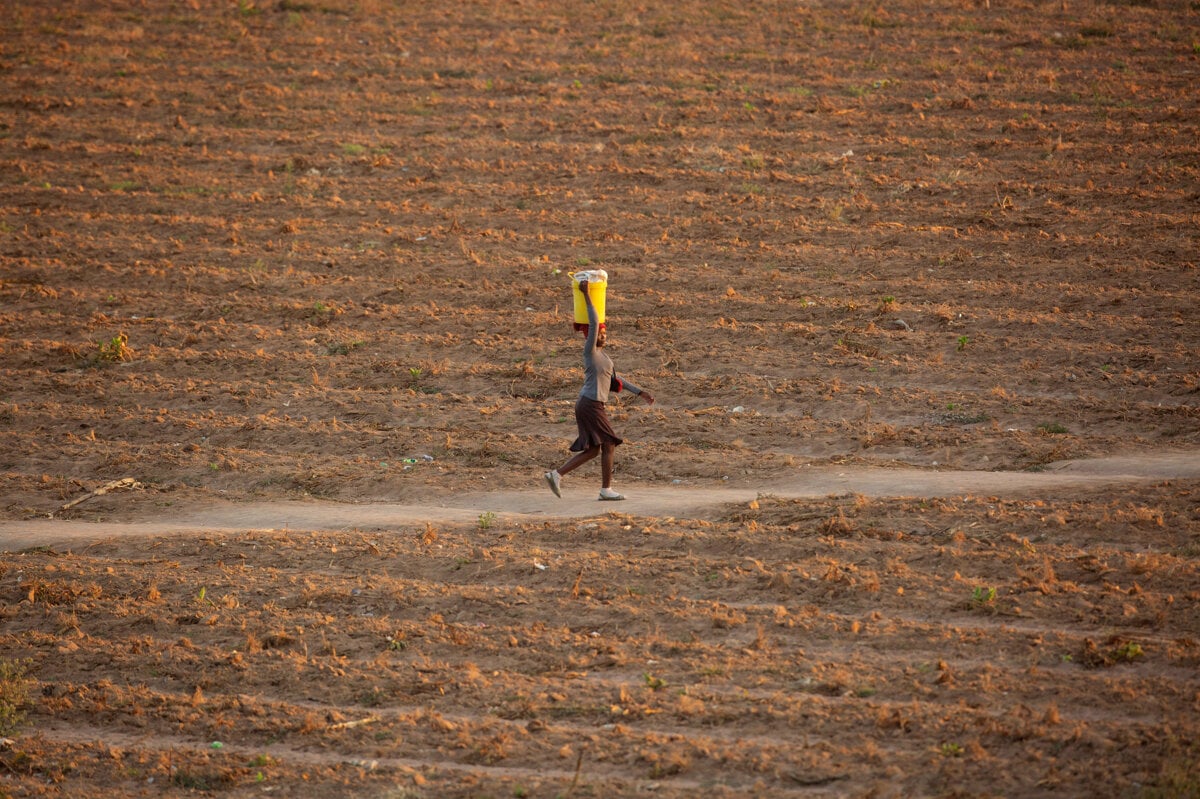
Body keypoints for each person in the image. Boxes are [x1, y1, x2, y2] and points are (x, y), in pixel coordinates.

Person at [545, 278, 654, 500]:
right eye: (600, 333)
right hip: (590, 404)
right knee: (609, 443)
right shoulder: (590, 352)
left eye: (605, 333)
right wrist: (587, 294)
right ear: (591, 336)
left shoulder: (605, 358)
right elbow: (594, 322)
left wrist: (640, 392)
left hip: (591, 404)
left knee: (595, 449)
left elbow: (616, 378)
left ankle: (556, 474)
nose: (604, 335)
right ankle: (605, 490)